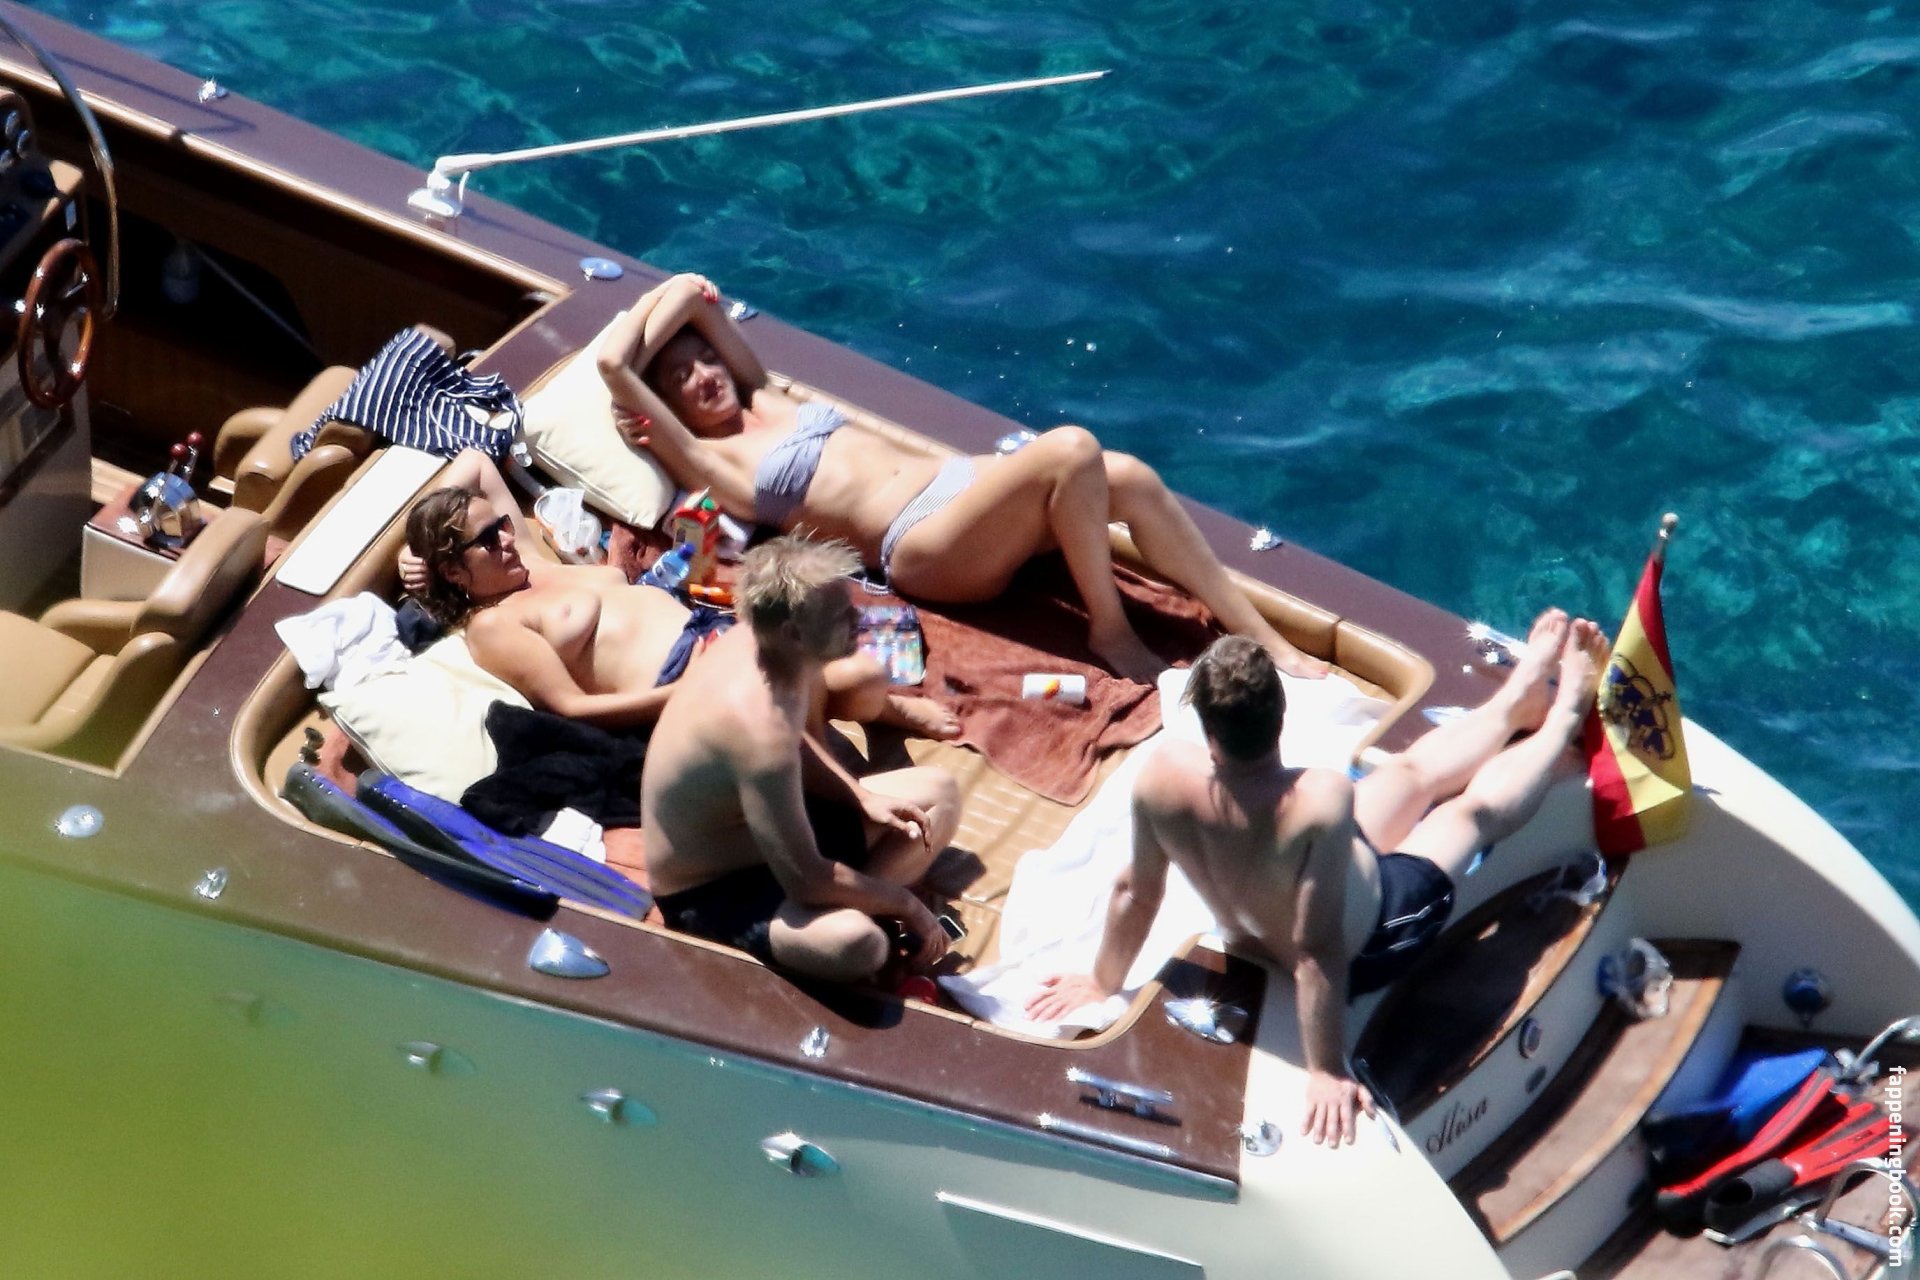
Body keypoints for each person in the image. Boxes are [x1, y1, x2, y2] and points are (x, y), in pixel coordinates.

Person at [1025, 609, 1607, 1147]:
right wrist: (1325, 1068)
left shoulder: (1163, 776)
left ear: (1207, 729)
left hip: (1310, 886)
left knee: (1407, 773)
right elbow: (1317, 948)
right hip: (1380, 929)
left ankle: (1516, 701)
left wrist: (1103, 981)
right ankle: (1563, 718)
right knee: (1466, 815)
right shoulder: (1318, 798)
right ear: (1282, 718)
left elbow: (1135, 890)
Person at [596, 273, 1330, 686]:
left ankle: (1259, 632)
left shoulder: (763, 393)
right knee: (1071, 447)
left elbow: (694, 299)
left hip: (966, 489)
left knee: (1131, 477)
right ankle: (1109, 629)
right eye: (681, 378)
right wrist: (651, 339)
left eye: (704, 360)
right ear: (666, 408)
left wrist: (677, 288)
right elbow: (611, 364)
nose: (705, 375)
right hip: (922, 544)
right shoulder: (714, 461)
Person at [401, 449, 958, 738]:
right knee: (854, 683)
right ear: (455, 573)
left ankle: (873, 712)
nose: (506, 537)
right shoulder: (493, 624)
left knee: (861, 669)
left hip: (715, 634)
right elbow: (574, 709)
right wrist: (684, 694)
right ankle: (868, 735)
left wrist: (411, 548)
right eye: (486, 539)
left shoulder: (529, 563)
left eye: (502, 525)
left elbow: (475, 463)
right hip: (683, 682)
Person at [641, 534, 963, 982]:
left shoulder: (770, 646)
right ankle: (863, 913)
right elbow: (806, 879)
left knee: (939, 795)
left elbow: (796, 740)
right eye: (841, 615)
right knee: (858, 945)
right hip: (710, 887)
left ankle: (861, 902)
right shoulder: (759, 729)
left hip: (767, 833)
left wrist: (858, 796)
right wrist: (905, 904)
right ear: (794, 632)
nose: (859, 619)